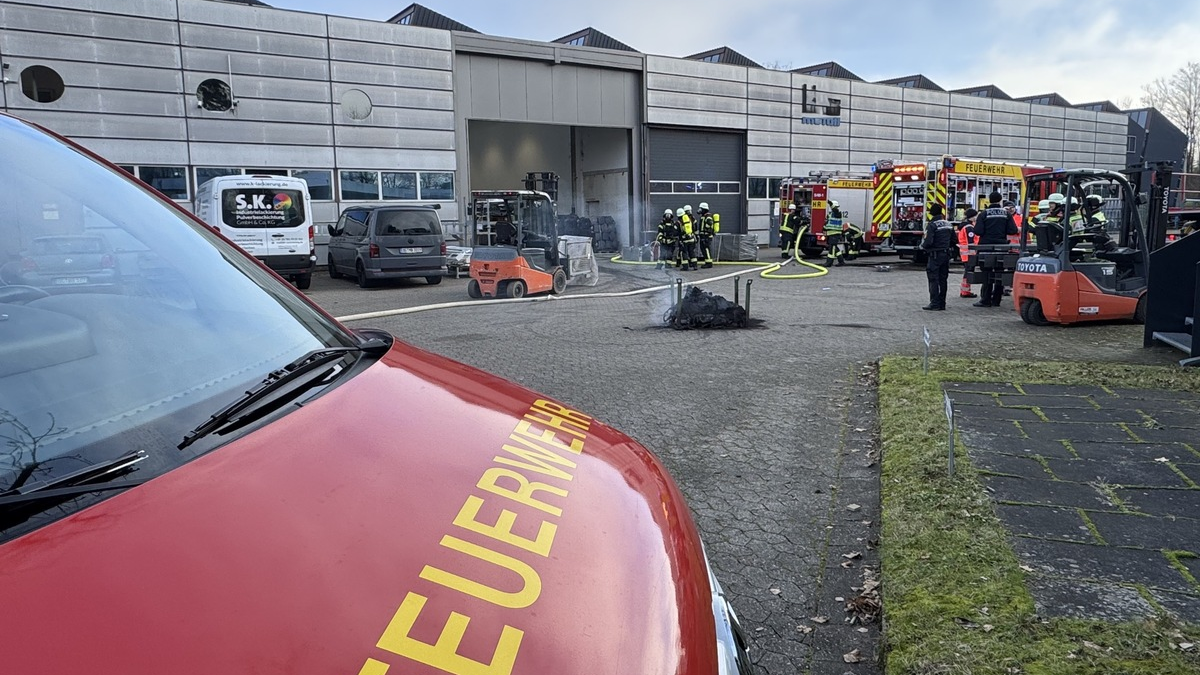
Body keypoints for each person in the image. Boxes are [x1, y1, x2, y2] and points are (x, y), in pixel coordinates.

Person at [972, 191, 1017, 307]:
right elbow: (1013, 230)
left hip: (986, 248)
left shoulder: (984, 214)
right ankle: (996, 300)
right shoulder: (1006, 214)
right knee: (999, 274)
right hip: (1001, 248)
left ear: (989, 200)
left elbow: (978, 231)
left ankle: (985, 300)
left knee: (986, 274)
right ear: (1000, 200)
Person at [921, 203, 956, 310]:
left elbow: (928, 241)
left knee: (933, 279)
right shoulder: (948, 224)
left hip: (935, 255)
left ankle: (934, 303)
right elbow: (954, 240)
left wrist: (923, 247)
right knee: (943, 279)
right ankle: (942, 303)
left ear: (932, 213)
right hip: (946, 254)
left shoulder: (932, 225)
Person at [957, 208, 978, 298]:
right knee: (968, 272)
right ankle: (965, 292)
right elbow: (971, 242)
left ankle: (965, 291)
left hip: (965, 254)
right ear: (972, 217)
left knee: (967, 272)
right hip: (969, 254)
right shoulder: (969, 228)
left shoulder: (965, 226)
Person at [696, 202, 719, 268]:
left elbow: (710, 224)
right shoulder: (704, 216)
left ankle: (709, 263)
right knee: (703, 249)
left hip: (706, 236)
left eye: (701, 209)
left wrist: (706, 232)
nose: (699, 210)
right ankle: (707, 262)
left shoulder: (708, 216)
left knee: (706, 249)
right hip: (703, 235)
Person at [823, 200, 847, 267]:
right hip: (831, 233)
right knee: (835, 248)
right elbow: (828, 223)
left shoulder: (837, 213)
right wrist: (824, 228)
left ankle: (829, 262)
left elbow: (835, 210)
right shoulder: (831, 214)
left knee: (832, 248)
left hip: (835, 233)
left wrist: (831, 204)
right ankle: (841, 261)